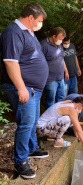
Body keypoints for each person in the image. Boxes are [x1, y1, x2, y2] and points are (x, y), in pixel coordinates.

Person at [0, 3, 49, 179]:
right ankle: (20, 161)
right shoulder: (13, 33)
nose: (40, 24)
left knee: (33, 120)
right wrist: (21, 88)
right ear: (30, 18)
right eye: (39, 21)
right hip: (22, 87)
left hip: (34, 88)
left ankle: (31, 148)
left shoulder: (29, 33)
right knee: (26, 123)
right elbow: (10, 62)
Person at [41, 27, 69, 109]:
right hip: (50, 79)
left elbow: (61, 59)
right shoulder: (43, 45)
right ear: (54, 36)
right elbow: (38, 62)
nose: (61, 41)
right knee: (50, 100)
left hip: (61, 78)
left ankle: (60, 118)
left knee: (62, 99)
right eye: (60, 39)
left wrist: (66, 71)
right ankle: (50, 119)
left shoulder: (59, 45)